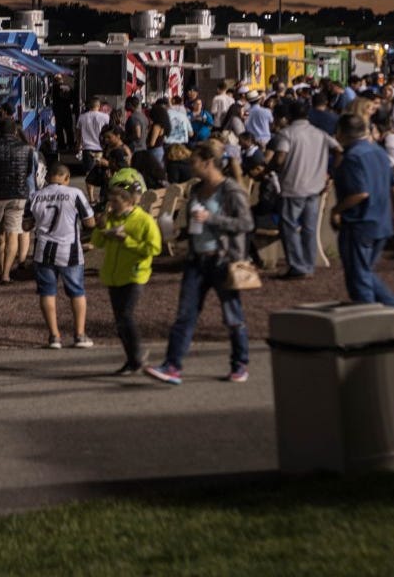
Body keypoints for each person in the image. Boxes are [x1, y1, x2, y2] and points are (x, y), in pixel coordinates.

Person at [146, 139, 254, 385]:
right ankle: (172, 366)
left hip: (223, 260)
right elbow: (196, 224)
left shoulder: (230, 190)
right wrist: (177, 233)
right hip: (197, 259)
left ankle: (240, 363)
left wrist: (212, 218)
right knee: (185, 314)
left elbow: (246, 224)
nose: (190, 165)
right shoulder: (195, 189)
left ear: (208, 162)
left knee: (232, 315)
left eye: (194, 161)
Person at [331, 115, 394, 307]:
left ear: (341, 133)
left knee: (359, 276)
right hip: (381, 221)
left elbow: (359, 193)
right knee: (365, 271)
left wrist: (336, 210)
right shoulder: (379, 152)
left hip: (360, 222)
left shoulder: (353, 157)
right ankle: (392, 309)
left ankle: (379, 313)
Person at [90, 185, 162, 376]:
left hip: (134, 274)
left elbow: (154, 248)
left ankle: (137, 356)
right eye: (110, 202)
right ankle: (132, 359)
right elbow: (98, 243)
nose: (111, 206)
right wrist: (100, 227)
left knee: (125, 316)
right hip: (114, 275)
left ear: (129, 202)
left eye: (116, 202)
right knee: (120, 320)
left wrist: (126, 240)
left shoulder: (143, 220)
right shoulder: (112, 218)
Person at [267, 100, 340, 279]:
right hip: (315, 187)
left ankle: (297, 265)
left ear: (289, 115)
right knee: (309, 228)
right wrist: (330, 173)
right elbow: (339, 149)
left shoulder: (287, 134)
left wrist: (271, 166)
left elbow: (280, 159)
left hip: (293, 187)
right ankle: (308, 263)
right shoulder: (319, 133)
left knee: (289, 227)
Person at [29, 163, 96, 349]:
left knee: (47, 292)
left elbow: (26, 225)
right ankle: (80, 335)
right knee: (76, 291)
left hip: (43, 251)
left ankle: (54, 336)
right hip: (69, 250)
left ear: (48, 177)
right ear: (66, 178)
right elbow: (90, 222)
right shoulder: (74, 194)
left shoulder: (35, 196)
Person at [0, 119, 38, 284]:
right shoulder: (27, 149)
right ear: (15, 132)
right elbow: (29, 171)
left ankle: (0, 268)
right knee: (13, 233)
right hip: (18, 195)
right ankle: (7, 274)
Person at [77, 98, 110, 164]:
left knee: (89, 172)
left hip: (87, 148)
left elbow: (79, 134)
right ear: (99, 106)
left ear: (89, 106)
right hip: (101, 148)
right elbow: (109, 132)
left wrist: (79, 146)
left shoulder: (82, 117)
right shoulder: (106, 117)